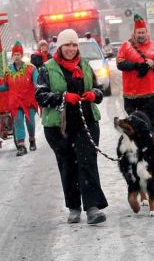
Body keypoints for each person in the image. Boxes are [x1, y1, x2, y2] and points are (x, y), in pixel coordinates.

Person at [35, 28, 108, 225]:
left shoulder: (85, 66)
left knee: (87, 162)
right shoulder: (46, 69)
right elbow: (40, 96)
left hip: (86, 121)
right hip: (59, 126)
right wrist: (63, 97)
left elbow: (99, 89)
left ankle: (92, 208)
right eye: (67, 44)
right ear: (60, 47)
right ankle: (74, 208)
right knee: (68, 165)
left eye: (74, 44)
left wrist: (94, 94)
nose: (71, 48)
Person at [116, 14, 154, 137]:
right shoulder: (126, 46)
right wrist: (136, 65)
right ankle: (138, 143)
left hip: (150, 93)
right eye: (139, 33)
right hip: (131, 94)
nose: (141, 35)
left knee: (151, 121)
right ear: (134, 33)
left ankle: (152, 142)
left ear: (146, 32)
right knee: (134, 122)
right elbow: (119, 63)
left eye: (143, 32)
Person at [0, 41, 38, 156]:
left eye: (19, 54)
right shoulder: (8, 71)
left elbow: (37, 83)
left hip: (29, 101)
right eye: (15, 54)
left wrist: (39, 89)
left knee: (30, 123)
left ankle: (32, 139)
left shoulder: (31, 69)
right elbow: (6, 86)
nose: (17, 56)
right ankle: (21, 146)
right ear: (12, 56)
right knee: (18, 122)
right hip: (15, 102)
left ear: (22, 56)